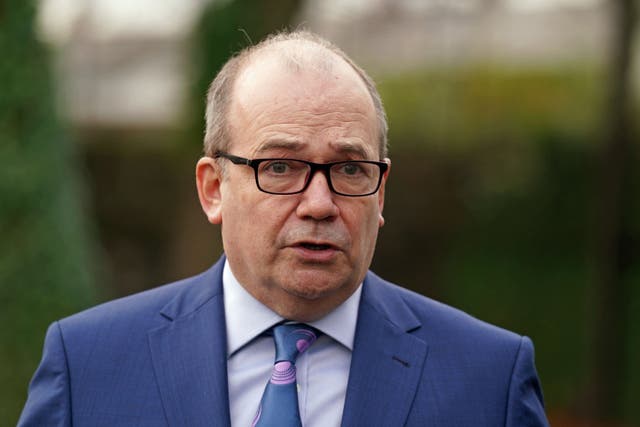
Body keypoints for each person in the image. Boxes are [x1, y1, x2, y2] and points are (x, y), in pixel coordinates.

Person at [19, 30, 549, 426]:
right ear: (213, 188)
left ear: (380, 192)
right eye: (280, 167)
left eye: (349, 169)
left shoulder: (488, 379)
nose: (319, 204)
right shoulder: (90, 365)